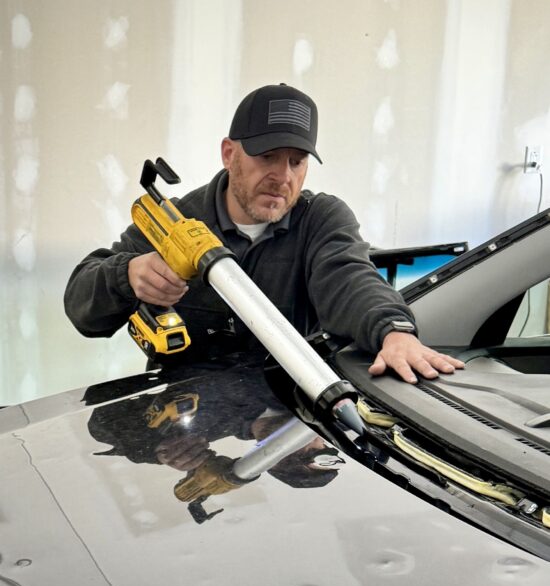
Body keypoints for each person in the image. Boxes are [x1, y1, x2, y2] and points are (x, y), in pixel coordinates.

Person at [64, 83, 463, 383]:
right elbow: (81, 307)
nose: (282, 176)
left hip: (289, 424)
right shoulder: (175, 221)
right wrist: (128, 275)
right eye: (268, 156)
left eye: (296, 161)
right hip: (184, 432)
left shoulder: (321, 219)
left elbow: (350, 279)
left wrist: (394, 331)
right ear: (229, 153)